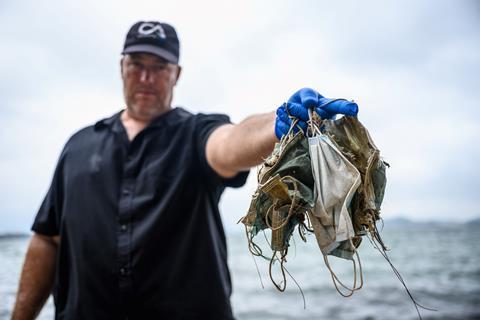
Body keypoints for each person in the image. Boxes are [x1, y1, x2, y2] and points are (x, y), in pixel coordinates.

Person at [11, 21, 358, 319]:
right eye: (136, 63)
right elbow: (47, 238)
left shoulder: (194, 134)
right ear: (121, 67)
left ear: (176, 74)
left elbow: (231, 142)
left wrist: (277, 124)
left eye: (160, 66)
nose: (146, 76)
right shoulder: (77, 146)